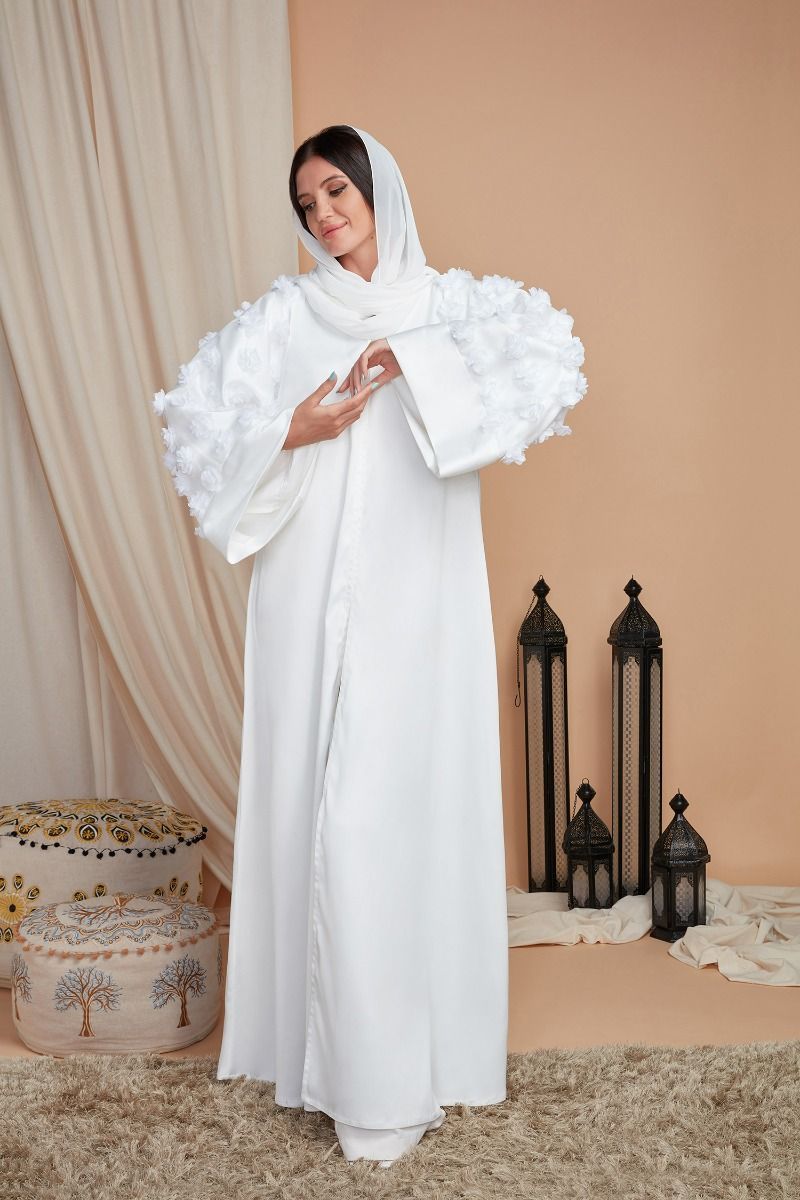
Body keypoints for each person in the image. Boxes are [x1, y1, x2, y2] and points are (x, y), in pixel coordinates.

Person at [152, 124, 587, 1167]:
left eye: (336, 191)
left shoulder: (449, 305)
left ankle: (399, 1066)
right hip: (305, 594)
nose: (325, 215)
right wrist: (291, 431)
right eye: (307, 204)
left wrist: (416, 361)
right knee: (323, 801)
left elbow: (549, 368)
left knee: (394, 808)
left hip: (413, 592)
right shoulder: (283, 318)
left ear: (377, 188)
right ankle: (336, 1068)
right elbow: (196, 436)